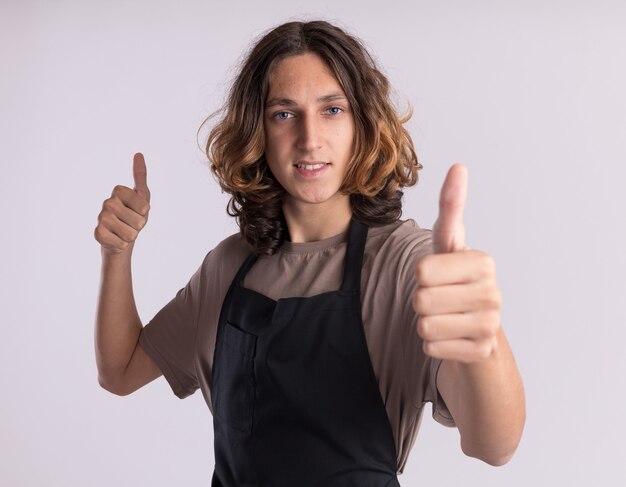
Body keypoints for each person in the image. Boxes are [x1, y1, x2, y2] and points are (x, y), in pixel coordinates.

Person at [94, 20, 525, 486]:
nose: (310, 139)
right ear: (256, 130)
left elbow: (494, 445)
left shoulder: (407, 266)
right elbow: (120, 371)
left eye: (332, 110)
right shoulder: (228, 267)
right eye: (284, 113)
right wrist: (117, 253)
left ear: (363, 123)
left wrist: (485, 337)